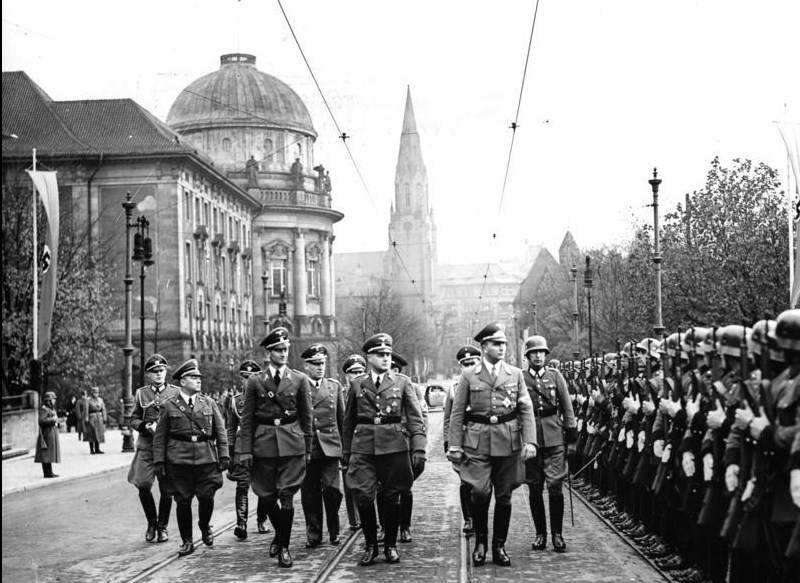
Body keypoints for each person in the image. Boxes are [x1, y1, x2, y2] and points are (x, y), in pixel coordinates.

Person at [447, 323, 537, 567]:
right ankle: (481, 543)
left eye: (504, 343)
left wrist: (530, 440)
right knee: (479, 492)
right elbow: (457, 413)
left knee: (505, 496)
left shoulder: (515, 373)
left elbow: (525, 408)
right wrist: (455, 445)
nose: (502, 347)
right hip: (477, 443)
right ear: (484, 346)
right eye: (497, 343)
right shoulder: (469, 375)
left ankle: (499, 546)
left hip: (508, 442)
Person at [341, 333, 427, 566]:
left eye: (388, 354)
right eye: (380, 355)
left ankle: (389, 545)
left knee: (391, 497)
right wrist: (347, 453)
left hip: (394, 447)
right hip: (364, 449)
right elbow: (349, 422)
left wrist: (418, 449)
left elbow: (415, 418)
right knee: (364, 496)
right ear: (369, 357)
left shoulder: (402, 382)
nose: (386, 358)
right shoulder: (357, 384)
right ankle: (371, 545)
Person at [238, 327, 313, 569]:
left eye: (285, 349)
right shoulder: (255, 381)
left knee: (287, 496)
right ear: (269, 352)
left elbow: (306, 416)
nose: (283, 354)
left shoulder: (299, 379)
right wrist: (246, 450)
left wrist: (308, 447)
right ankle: (281, 537)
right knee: (267, 496)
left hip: (292, 443)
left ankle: (284, 547)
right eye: (278, 350)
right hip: (264, 444)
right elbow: (247, 418)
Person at [152, 359, 229, 557]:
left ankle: (204, 526)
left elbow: (220, 432)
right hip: (179, 460)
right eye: (193, 377)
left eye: (198, 377)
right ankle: (187, 540)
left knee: (206, 497)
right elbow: (160, 437)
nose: (198, 380)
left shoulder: (209, 403)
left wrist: (224, 455)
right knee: (183, 501)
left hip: (206, 458)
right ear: (182, 382)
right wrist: (159, 461)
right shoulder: (169, 406)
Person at [521, 335, 577, 553]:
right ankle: (540, 534)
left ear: (546, 355)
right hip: (531, 438)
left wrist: (571, 439)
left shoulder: (556, 376)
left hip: (554, 438)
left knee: (555, 486)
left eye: (541, 352)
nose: (538, 356)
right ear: (527, 356)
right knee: (534, 487)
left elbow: (567, 408)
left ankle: (557, 534)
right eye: (534, 352)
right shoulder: (521, 378)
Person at [128, 354, 180, 543]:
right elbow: (132, 419)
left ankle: (162, 526)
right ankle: (152, 522)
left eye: (161, 371)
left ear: (166, 372)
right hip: (146, 446)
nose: (159, 374)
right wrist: (144, 426)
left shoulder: (175, 393)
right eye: (154, 372)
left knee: (167, 489)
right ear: (149, 375)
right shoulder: (142, 393)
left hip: (167, 448)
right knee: (142, 484)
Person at [300, 344, 345, 548]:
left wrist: (346, 449)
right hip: (308, 448)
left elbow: (342, 419)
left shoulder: (334, 386)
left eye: (323, 363)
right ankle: (314, 533)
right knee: (309, 493)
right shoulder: (299, 386)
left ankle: (334, 531)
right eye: (316, 364)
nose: (320, 368)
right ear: (306, 365)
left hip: (331, 446)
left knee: (332, 489)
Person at [226, 359, 270, 541]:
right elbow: (230, 428)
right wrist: (229, 452)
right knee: (242, 485)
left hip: (261, 446)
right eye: (244, 377)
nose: (247, 381)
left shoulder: (266, 399)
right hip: (241, 449)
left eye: (251, 377)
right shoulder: (236, 401)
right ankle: (241, 523)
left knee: (263, 486)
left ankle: (261, 519)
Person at [443, 345, 482, 535]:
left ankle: (480, 518)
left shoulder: (486, 384)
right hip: (463, 441)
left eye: (472, 363)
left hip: (482, 441)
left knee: (482, 485)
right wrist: (448, 443)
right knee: (465, 482)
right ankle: (469, 519)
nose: (468, 367)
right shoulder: (454, 388)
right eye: (465, 364)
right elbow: (449, 418)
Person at [341, 354, 367, 531]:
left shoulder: (367, 392)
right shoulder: (339, 393)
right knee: (349, 482)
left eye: (360, 371)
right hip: (347, 444)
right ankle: (354, 519)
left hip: (365, 442)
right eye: (353, 372)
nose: (356, 376)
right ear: (346, 376)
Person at [34, 391, 61, 478]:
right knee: (46, 453)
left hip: (51, 432)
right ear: (48, 400)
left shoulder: (50, 409)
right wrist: (53, 419)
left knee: (49, 453)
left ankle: (50, 472)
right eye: (53, 399)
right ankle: (47, 473)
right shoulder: (44, 409)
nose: (54, 401)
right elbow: (41, 421)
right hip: (46, 433)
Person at [84, 386, 107, 454]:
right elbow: (86, 410)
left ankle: (97, 449)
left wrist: (104, 418)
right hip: (92, 417)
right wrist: (86, 418)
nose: (96, 394)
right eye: (94, 392)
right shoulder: (88, 400)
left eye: (97, 392)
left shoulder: (100, 400)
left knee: (98, 433)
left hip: (99, 418)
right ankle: (92, 449)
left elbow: (103, 409)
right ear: (92, 393)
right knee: (91, 433)